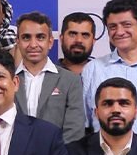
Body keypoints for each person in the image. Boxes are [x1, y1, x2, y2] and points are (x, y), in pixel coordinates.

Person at [81, 0, 137, 136]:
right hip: (100, 149)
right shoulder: (93, 69)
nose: (119, 32)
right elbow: (83, 123)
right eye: (113, 27)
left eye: (126, 25)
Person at [14, 11, 85, 144]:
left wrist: (54, 154)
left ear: (50, 42)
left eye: (40, 37)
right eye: (26, 37)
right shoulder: (6, 80)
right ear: (18, 42)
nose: (33, 44)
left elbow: (74, 131)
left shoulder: (70, 80)